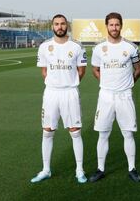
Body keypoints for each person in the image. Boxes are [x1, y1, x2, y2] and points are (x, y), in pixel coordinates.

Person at [31, 14, 87, 183]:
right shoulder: (44, 46)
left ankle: (80, 170)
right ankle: (46, 169)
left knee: (75, 131)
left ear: (67, 26)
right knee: (47, 131)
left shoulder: (77, 46)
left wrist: (68, 83)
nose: (60, 27)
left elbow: (81, 71)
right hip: (51, 93)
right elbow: (44, 72)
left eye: (62, 24)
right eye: (57, 24)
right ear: (52, 27)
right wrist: (56, 83)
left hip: (70, 92)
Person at [89, 12, 140, 183]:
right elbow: (95, 69)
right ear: (107, 26)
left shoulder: (131, 47)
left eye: (117, 24)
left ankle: (132, 168)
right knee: (103, 134)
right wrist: (105, 82)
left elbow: (138, 68)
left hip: (125, 96)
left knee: (128, 134)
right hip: (105, 96)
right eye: (111, 25)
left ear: (121, 25)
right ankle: (100, 169)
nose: (114, 28)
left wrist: (128, 83)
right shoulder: (98, 48)